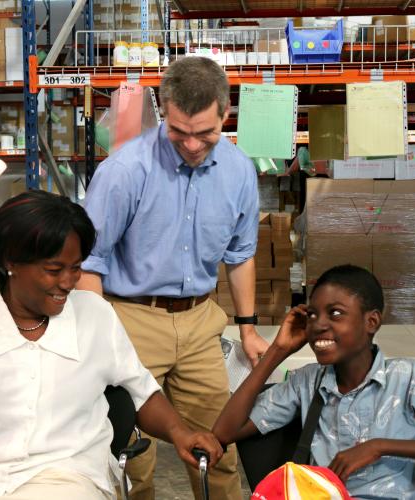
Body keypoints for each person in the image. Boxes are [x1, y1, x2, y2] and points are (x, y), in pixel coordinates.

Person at [0, 190, 223, 500]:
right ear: (11, 260)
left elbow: (140, 391)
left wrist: (180, 433)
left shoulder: (94, 314)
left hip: (71, 481)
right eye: (53, 270)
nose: (67, 281)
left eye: (75, 267)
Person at [77, 56, 268, 499]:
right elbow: (89, 262)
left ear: (226, 113)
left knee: (219, 449)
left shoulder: (240, 171)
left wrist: (249, 328)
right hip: (131, 320)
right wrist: (97, 337)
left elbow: (241, 255)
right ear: (163, 109)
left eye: (205, 133)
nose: (193, 144)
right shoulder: (125, 171)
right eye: (180, 132)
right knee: (130, 455)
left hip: (201, 321)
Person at [213, 265, 415, 499]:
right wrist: (278, 351)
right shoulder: (308, 382)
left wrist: (379, 446)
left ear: (371, 322)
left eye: (335, 313)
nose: (319, 325)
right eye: (312, 315)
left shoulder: (409, 379)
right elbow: (224, 433)